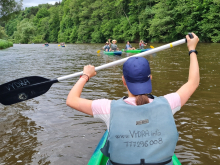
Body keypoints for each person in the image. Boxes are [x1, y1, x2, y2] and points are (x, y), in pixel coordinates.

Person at [66, 33, 200, 165]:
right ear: (150, 78)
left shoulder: (108, 108)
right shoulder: (169, 103)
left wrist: (85, 76)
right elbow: (193, 82)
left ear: (123, 81)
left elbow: (71, 100)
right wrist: (192, 49)